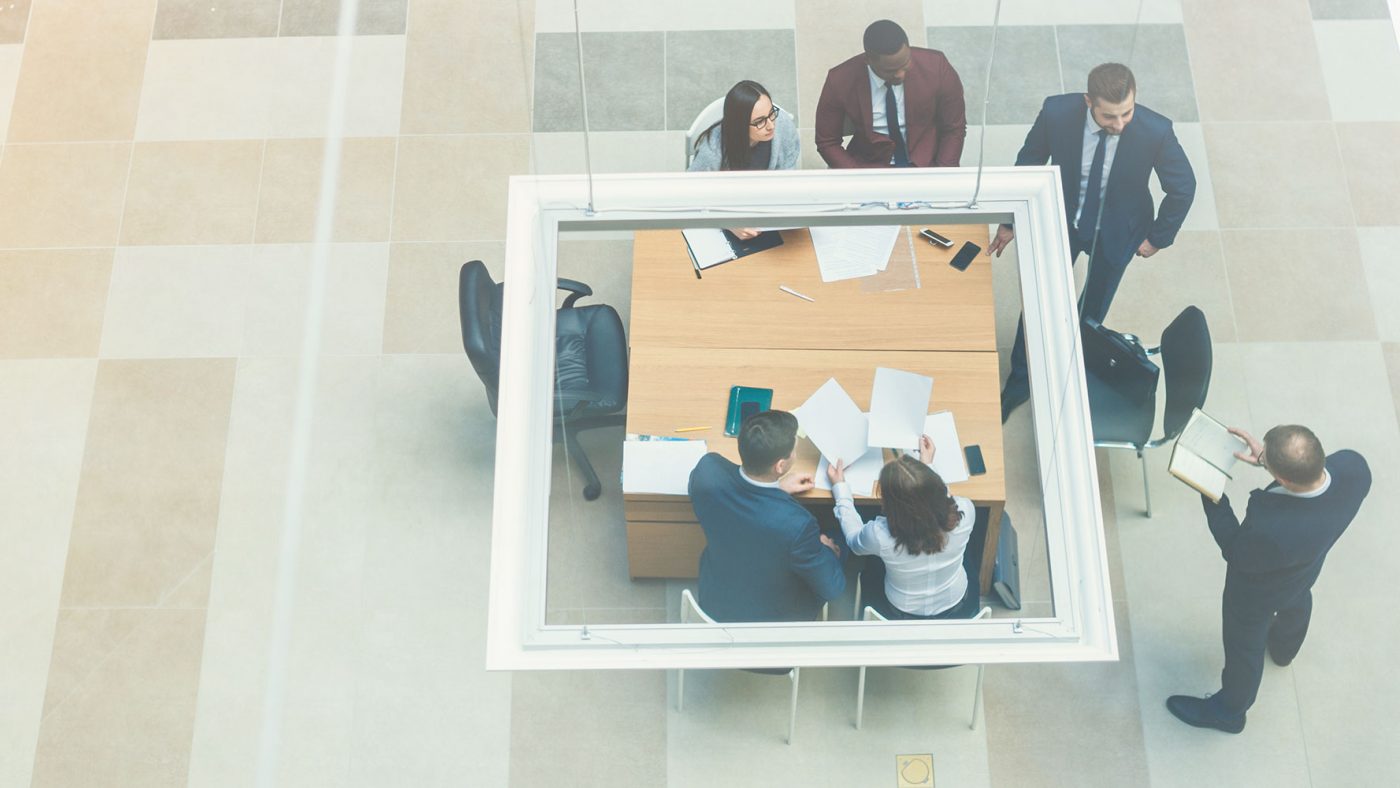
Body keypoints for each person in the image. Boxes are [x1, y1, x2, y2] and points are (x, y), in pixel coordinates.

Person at [990, 62, 1195, 422]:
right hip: (1061, 221)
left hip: (1118, 231)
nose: (1120, 125)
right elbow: (1029, 160)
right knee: (1040, 300)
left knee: (1093, 310)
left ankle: (1071, 368)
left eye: (1127, 113)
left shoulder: (1155, 130)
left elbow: (1183, 187)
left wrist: (1158, 237)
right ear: (1088, 102)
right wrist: (1010, 221)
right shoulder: (1056, 112)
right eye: (1109, 116)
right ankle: (1021, 379)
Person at [1167, 425, 1371, 734]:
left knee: (1244, 648)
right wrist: (1268, 460)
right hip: (1306, 569)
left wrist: (1211, 494)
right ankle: (1284, 649)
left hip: (1256, 595)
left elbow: (1236, 551)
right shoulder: (1354, 468)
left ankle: (1229, 712)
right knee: (1298, 598)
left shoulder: (1272, 530)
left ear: (1285, 479)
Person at [688, 409, 846, 622]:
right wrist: (826, 549)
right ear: (780, 465)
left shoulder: (707, 472)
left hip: (718, 596)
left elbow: (740, 501)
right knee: (841, 540)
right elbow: (832, 588)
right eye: (794, 451)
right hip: (771, 616)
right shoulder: (797, 525)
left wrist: (776, 488)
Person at [827, 435, 979, 619]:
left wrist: (841, 489)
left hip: (900, 612)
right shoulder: (966, 511)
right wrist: (927, 466)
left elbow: (854, 541)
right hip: (958, 605)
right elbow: (942, 496)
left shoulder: (880, 535)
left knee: (870, 564)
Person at [814, 19, 966, 169]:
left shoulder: (937, 66)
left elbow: (954, 128)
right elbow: (827, 141)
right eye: (890, 71)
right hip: (867, 167)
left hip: (927, 165)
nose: (900, 74)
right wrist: (855, 177)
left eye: (905, 64)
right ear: (868, 60)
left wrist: (944, 172)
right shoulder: (840, 79)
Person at [688, 80, 800, 174]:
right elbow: (694, 188)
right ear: (739, 125)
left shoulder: (784, 126)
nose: (771, 126)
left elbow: (787, 180)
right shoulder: (712, 150)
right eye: (760, 122)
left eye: (771, 113)